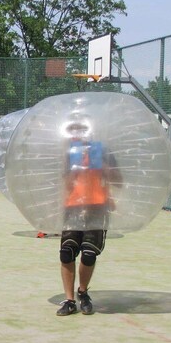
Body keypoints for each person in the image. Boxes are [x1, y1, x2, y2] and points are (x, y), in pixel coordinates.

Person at [56, 121, 122, 316]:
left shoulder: (103, 151)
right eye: (75, 131)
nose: (80, 135)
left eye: (84, 131)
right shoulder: (70, 154)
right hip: (73, 206)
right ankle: (69, 300)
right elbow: (66, 185)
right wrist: (75, 171)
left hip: (98, 205)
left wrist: (105, 168)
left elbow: (119, 180)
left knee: (89, 253)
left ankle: (82, 292)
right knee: (66, 252)